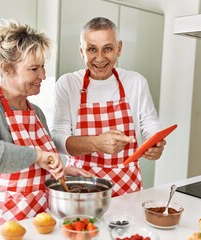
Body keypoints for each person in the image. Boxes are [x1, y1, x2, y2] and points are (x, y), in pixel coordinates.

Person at [0, 19, 91, 235]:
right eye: (34, 69)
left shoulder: (36, 112)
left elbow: (32, 166)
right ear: (7, 68)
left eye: (43, 66)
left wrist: (58, 170)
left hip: (33, 221)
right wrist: (38, 156)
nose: (43, 76)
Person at [51, 17, 166, 197]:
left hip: (128, 185)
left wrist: (155, 143)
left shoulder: (136, 82)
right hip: (81, 184)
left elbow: (150, 123)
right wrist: (96, 143)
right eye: (92, 49)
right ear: (81, 51)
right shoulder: (68, 84)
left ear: (119, 49)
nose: (100, 58)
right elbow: (57, 140)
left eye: (108, 49)